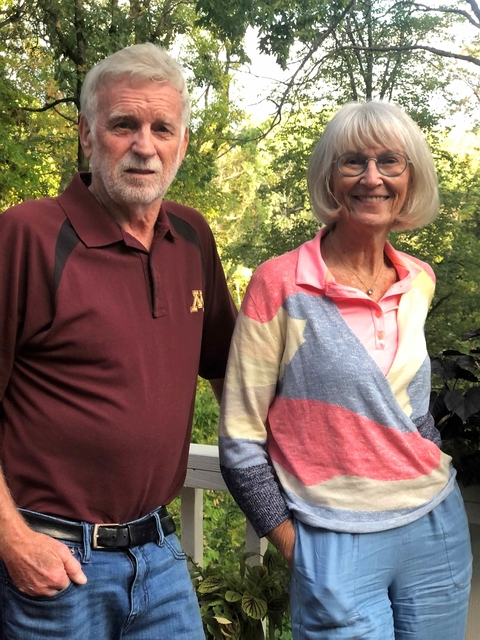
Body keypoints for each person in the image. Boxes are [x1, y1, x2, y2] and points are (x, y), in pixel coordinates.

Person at [0, 43, 236, 639]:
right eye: (123, 125)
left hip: (158, 557)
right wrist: (12, 540)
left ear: (182, 142)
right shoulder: (27, 237)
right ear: (86, 134)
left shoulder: (192, 237)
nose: (145, 145)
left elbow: (232, 372)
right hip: (52, 560)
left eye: (163, 128)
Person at [219, 100, 472, 640]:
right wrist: (293, 544)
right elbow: (240, 436)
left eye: (390, 162)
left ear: (411, 176)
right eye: (353, 161)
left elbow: (410, 407)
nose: (372, 178)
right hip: (332, 538)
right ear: (331, 177)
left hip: (434, 524)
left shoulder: (419, 280)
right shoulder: (279, 285)